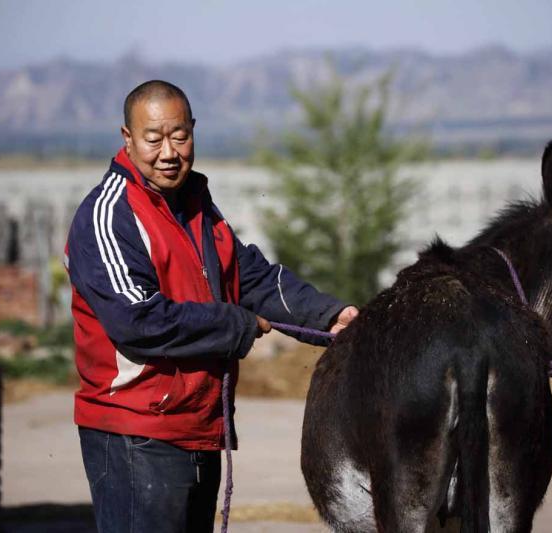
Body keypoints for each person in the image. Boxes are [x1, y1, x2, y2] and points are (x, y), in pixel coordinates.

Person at [64, 79, 358, 533]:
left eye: (179, 136)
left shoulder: (198, 207)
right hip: (136, 434)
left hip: (200, 428)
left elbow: (250, 277)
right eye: (154, 138)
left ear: (194, 132)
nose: (169, 152)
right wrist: (237, 325)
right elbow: (139, 321)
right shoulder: (108, 215)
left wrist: (330, 316)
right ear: (126, 138)